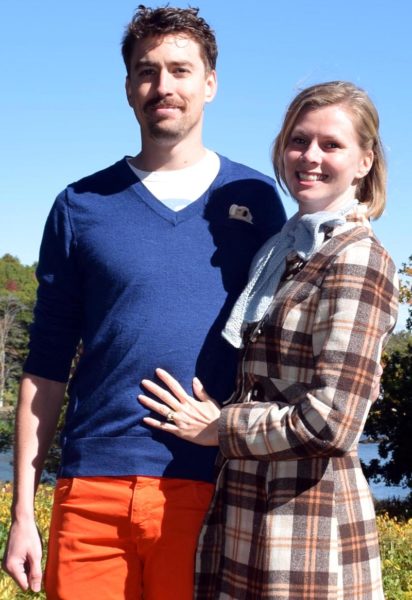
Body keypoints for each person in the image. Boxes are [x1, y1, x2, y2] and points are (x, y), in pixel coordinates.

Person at [2, 5, 286, 600]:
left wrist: (228, 426)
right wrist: (23, 512)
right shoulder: (81, 205)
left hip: (210, 488)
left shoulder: (256, 201)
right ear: (129, 87)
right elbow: (46, 368)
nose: (164, 87)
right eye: (147, 71)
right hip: (90, 493)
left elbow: (281, 353)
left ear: (210, 82)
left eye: (181, 70)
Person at [139, 81, 399, 599]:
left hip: (306, 528)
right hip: (249, 513)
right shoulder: (283, 250)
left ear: (365, 161)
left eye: (332, 145)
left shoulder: (358, 259)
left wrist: (221, 426)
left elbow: (331, 422)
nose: (310, 157)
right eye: (299, 141)